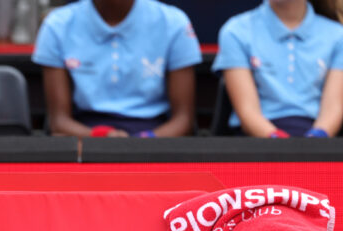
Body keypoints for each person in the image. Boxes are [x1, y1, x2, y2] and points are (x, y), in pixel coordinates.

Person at [32, 0, 202, 137]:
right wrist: (100, 137)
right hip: (84, 135)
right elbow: (59, 122)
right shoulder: (57, 24)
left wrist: (145, 140)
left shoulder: (174, 22)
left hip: (156, 134)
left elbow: (183, 120)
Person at [212, 0, 343, 137]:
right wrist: (278, 140)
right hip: (257, 141)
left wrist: (314, 140)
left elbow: (333, 108)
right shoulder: (235, 31)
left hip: (318, 140)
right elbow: (247, 112)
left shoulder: (338, 35)